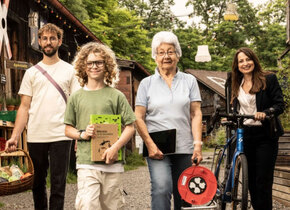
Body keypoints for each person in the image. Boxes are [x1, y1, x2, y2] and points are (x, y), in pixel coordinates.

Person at [5, 23, 80, 210]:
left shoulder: (70, 71)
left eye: (53, 38)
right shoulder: (31, 73)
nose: (48, 42)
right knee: (37, 183)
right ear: (39, 42)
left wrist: (79, 133)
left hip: (62, 134)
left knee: (58, 184)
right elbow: (24, 107)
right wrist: (14, 136)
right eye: (45, 38)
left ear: (59, 41)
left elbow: (77, 104)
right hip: (36, 134)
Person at [135, 31, 203, 210]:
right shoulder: (146, 84)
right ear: (155, 57)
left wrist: (197, 145)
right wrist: (149, 144)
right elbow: (138, 117)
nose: (166, 56)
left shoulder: (190, 81)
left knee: (185, 193)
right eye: (161, 52)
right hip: (157, 146)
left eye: (170, 51)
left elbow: (196, 113)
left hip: (185, 146)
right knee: (161, 188)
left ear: (178, 55)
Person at [64, 42, 135, 210]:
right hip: (87, 163)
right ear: (83, 66)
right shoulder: (76, 97)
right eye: (90, 63)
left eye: (99, 62)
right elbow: (68, 129)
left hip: (112, 163)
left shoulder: (116, 96)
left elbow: (130, 126)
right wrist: (82, 134)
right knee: (88, 205)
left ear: (106, 66)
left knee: (112, 206)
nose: (94, 66)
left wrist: (115, 147)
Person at [231, 47, 285, 210]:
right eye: (241, 61)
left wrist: (266, 112)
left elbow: (280, 104)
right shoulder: (235, 83)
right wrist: (231, 115)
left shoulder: (268, 79)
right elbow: (235, 107)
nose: (245, 63)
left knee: (263, 180)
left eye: (248, 59)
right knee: (251, 181)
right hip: (245, 135)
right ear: (237, 65)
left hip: (265, 135)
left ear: (254, 60)